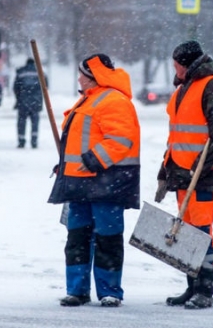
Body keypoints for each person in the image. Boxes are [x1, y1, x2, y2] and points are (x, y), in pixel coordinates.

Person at [48, 53, 140, 308]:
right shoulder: (88, 100)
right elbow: (81, 139)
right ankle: (76, 290)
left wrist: (92, 160)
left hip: (106, 183)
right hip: (79, 183)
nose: (78, 78)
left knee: (107, 238)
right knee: (77, 239)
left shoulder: (113, 101)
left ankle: (110, 292)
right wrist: (66, 164)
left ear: (93, 76)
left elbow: (121, 139)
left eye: (82, 73)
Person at [154, 40, 213, 310]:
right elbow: (176, 137)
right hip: (182, 172)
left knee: (201, 230)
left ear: (186, 64)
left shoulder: (212, 86)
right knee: (187, 231)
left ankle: (205, 291)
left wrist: (203, 165)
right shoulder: (182, 90)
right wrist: (165, 170)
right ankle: (191, 288)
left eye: (176, 63)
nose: (173, 68)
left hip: (203, 174)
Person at [13, 58, 46, 148]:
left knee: (21, 122)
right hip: (36, 102)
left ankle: (21, 141)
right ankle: (34, 141)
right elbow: (45, 85)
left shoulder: (21, 72)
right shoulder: (39, 72)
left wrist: (19, 97)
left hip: (23, 102)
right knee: (35, 123)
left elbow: (15, 87)